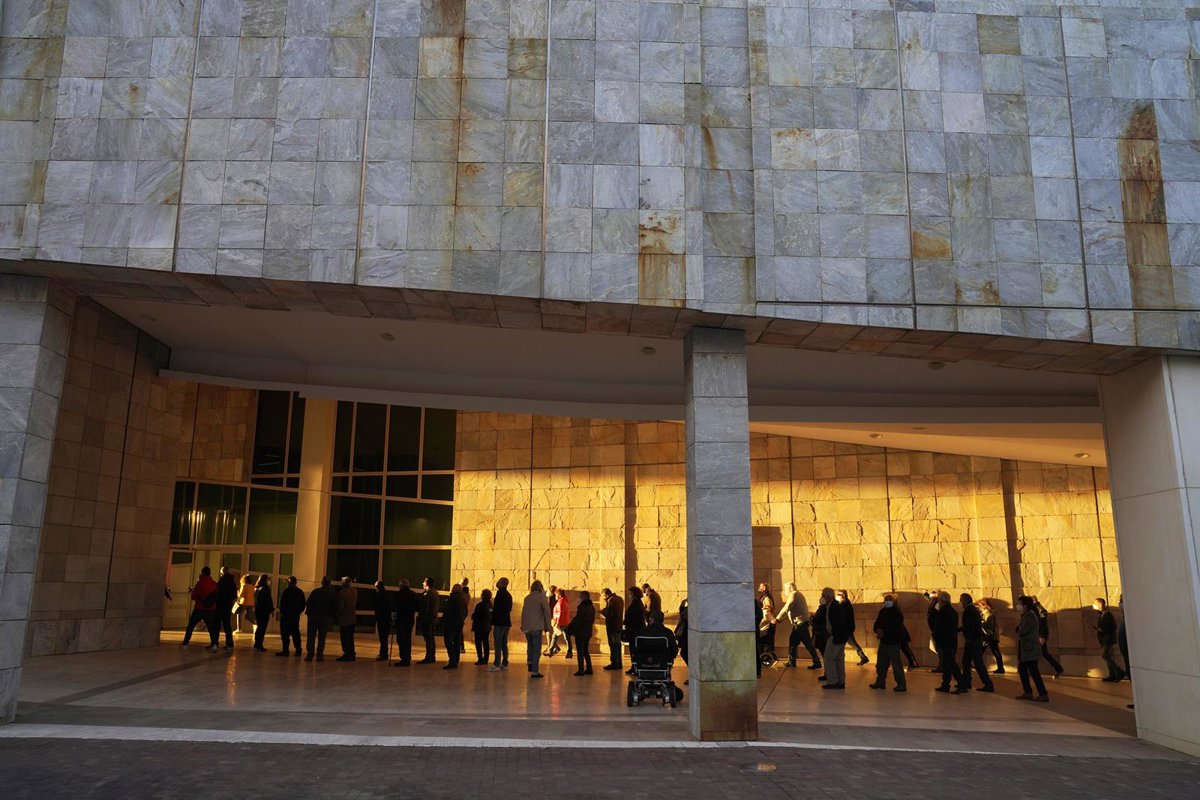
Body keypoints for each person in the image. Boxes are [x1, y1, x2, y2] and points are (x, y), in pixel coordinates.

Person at [930, 591, 967, 694]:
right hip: (950, 641)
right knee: (947, 665)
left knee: (951, 664)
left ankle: (962, 685)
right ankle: (945, 685)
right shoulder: (952, 611)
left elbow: (941, 628)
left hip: (946, 642)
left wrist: (936, 638)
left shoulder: (944, 612)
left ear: (941, 601)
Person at [869, 594, 907, 692]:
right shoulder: (883, 611)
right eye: (886, 599)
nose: (887, 601)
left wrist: (884, 632)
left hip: (893, 642)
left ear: (894, 601)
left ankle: (901, 684)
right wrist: (878, 630)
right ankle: (880, 681)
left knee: (896, 664)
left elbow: (896, 628)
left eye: (889, 599)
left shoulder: (897, 612)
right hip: (884, 642)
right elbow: (877, 623)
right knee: (881, 664)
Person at [1015, 595, 1049, 702]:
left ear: (1025, 605)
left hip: (1030, 648)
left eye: (1020, 604)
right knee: (1023, 670)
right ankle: (1028, 692)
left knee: (1034, 671)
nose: (1018, 606)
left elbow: (1021, 631)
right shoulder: (1025, 615)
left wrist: (1019, 629)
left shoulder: (1030, 615)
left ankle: (1043, 694)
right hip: (1026, 648)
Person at [959, 593, 995, 692]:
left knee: (978, 663)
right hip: (973, 640)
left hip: (973, 640)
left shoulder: (969, 610)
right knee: (966, 662)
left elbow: (971, 626)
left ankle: (988, 684)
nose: (960, 602)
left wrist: (969, 638)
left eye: (961, 600)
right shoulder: (972, 609)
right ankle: (967, 682)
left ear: (966, 600)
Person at [181, 566, 220, 652]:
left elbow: (193, 597)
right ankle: (214, 644)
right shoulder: (214, 584)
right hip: (210, 609)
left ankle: (185, 643)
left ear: (202, 573)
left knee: (191, 626)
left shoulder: (200, 583)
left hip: (199, 608)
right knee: (211, 628)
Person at [783, 582, 821, 670]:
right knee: (793, 641)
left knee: (807, 643)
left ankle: (816, 661)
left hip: (801, 624)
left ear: (790, 588)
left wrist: (777, 619)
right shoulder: (797, 594)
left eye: (786, 589)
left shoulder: (794, 595)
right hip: (800, 623)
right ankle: (792, 661)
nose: (785, 591)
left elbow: (786, 608)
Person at [822, 588, 854, 690]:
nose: (822, 598)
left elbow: (838, 624)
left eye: (823, 596)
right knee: (839, 660)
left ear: (828, 597)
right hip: (840, 637)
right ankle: (841, 681)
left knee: (828, 658)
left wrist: (835, 636)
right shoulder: (835, 606)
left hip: (836, 637)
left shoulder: (834, 607)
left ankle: (833, 681)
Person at [522, 580, 552, 679]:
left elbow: (524, 612)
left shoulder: (527, 598)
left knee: (530, 645)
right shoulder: (542, 597)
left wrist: (523, 625)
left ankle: (530, 662)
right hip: (536, 626)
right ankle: (535, 671)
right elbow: (547, 612)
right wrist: (548, 626)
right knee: (536, 649)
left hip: (527, 626)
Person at [1093, 598, 1126, 682]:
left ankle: (1120, 672)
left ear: (1100, 605)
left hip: (1108, 640)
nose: (1093, 605)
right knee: (1108, 657)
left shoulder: (1108, 615)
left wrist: (1101, 630)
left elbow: (1112, 626)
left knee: (1105, 656)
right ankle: (1112, 675)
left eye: (1095, 603)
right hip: (1104, 640)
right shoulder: (1102, 615)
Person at [1032, 596, 1064, 677]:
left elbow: (1043, 614)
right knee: (1044, 653)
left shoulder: (1037, 608)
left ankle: (1033, 671)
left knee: (1036, 653)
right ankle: (1059, 669)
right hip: (1037, 635)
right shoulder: (1033, 609)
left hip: (1040, 635)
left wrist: (1042, 636)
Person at [304, 576, 334, 662]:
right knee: (322, 637)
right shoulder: (331, 594)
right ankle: (319, 655)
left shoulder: (316, 592)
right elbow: (333, 607)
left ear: (322, 583)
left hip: (313, 617)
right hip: (325, 618)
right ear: (329, 584)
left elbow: (309, 603)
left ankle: (310, 655)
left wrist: (309, 614)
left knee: (311, 636)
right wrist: (330, 616)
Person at [567, 590, 596, 676]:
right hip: (588, 632)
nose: (578, 598)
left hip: (580, 632)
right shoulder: (592, 607)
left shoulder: (582, 607)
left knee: (580, 651)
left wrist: (571, 630)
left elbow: (578, 621)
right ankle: (589, 668)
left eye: (580, 596)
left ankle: (581, 670)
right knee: (586, 651)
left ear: (583, 597)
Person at [392, 578, 419, 667]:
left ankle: (404, 659)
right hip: (410, 620)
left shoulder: (399, 594)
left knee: (401, 640)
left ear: (401, 585)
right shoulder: (413, 594)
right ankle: (408, 657)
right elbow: (417, 606)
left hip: (401, 620)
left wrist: (393, 619)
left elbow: (394, 607)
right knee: (407, 639)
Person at [276, 576, 305, 657]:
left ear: (289, 582)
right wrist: (298, 611)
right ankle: (298, 650)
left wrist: (282, 613)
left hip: (286, 616)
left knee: (285, 634)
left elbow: (282, 603)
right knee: (295, 633)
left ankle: (285, 650)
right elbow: (303, 604)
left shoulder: (286, 591)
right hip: (295, 616)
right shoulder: (299, 591)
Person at [488, 577, 513, 671]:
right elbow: (509, 609)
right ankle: (505, 663)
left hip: (499, 622)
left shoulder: (500, 594)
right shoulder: (508, 595)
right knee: (504, 643)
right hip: (506, 622)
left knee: (498, 643)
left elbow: (497, 608)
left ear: (501, 583)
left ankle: (497, 664)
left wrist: (491, 611)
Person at [842, 590, 870, 666]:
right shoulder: (845, 603)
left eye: (839, 594)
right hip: (847, 629)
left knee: (849, 645)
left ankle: (863, 657)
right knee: (853, 644)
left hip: (846, 629)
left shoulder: (845, 604)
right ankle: (863, 657)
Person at [442, 582, 466, 669]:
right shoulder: (462, 599)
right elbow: (465, 611)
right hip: (459, 623)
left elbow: (448, 611)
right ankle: (456, 661)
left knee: (448, 642)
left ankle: (452, 661)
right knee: (456, 643)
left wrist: (444, 620)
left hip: (451, 624)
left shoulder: (453, 598)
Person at [623, 586, 646, 675]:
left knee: (634, 650)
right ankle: (634, 667)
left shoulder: (636, 604)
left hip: (635, 631)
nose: (629, 595)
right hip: (635, 630)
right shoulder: (637, 603)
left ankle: (635, 667)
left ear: (634, 594)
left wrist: (626, 622)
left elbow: (633, 617)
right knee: (633, 650)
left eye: (630, 593)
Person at [600, 587, 624, 671]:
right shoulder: (620, 599)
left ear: (606, 594)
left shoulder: (611, 600)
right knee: (618, 644)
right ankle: (619, 662)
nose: (603, 598)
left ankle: (614, 663)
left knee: (613, 644)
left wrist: (602, 611)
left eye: (603, 596)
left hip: (612, 626)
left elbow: (610, 614)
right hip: (619, 625)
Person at [417, 577, 440, 664]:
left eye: (424, 582)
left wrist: (422, 617)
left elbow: (425, 608)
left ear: (427, 583)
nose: (422, 583)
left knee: (428, 639)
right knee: (431, 638)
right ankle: (432, 656)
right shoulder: (435, 593)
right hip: (433, 619)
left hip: (427, 620)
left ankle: (428, 657)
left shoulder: (427, 594)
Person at [335, 576, 358, 662]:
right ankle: (352, 653)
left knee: (345, 638)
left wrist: (337, 614)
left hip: (344, 619)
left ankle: (347, 654)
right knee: (350, 638)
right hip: (352, 618)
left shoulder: (342, 592)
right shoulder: (354, 591)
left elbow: (341, 607)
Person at [215, 566, 238, 651]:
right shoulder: (232, 582)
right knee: (227, 626)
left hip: (220, 605)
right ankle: (229, 644)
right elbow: (234, 595)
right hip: (227, 606)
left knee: (216, 625)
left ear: (222, 572)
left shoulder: (221, 581)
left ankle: (215, 642)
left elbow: (217, 592)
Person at [979, 599, 1004, 673]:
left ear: (984, 606)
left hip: (989, 637)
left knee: (993, 652)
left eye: (980, 606)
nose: (979, 607)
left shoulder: (988, 614)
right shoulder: (986, 613)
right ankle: (1000, 668)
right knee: (994, 652)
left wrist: (981, 622)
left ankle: (1000, 668)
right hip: (989, 636)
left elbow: (989, 626)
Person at [547, 587, 571, 658]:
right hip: (564, 622)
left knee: (555, 637)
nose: (555, 596)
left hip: (561, 623)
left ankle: (550, 651)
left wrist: (557, 623)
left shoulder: (561, 602)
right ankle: (569, 652)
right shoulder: (564, 601)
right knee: (566, 638)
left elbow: (560, 613)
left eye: (556, 595)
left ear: (559, 595)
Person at [472, 588, 492, 665]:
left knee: (478, 643)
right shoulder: (490, 605)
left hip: (479, 626)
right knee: (486, 642)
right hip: (487, 626)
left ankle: (480, 658)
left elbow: (475, 615)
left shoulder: (480, 605)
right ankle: (486, 659)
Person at [757, 583, 777, 662]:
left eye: (761, 586)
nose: (759, 587)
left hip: (767, 621)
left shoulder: (766, 597)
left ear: (764, 587)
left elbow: (768, 608)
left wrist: (761, 609)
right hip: (769, 620)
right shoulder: (766, 596)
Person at [372, 581, 391, 661]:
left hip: (382, 619)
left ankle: (383, 654)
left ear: (377, 587)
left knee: (382, 637)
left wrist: (377, 617)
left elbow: (377, 607)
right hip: (387, 618)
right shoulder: (387, 594)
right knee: (384, 637)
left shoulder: (379, 594)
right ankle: (384, 653)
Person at [812, 591, 829, 674]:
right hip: (821, 634)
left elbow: (819, 620)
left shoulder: (823, 609)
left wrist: (813, 619)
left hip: (822, 635)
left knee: (825, 654)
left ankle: (828, 673)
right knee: (825, 654)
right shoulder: (823, 608)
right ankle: (827, 672)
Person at [459, 578, 471, 654]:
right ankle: (461, 647)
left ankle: (461, 647)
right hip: (463, 612)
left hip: (460, 612)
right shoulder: (467, 593)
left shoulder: (462, 593)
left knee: (459, 630)